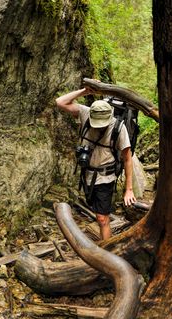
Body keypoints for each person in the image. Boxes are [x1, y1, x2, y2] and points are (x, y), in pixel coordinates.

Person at [56, 84, 136, 240]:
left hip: (105, 177)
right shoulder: (85, 113)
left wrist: (129, 189)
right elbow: (60, 102)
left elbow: (127, 159)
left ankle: (107, 255)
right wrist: (84, 91)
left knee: (102, 218)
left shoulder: (119, 128)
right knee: (97, 214)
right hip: (87, 174)